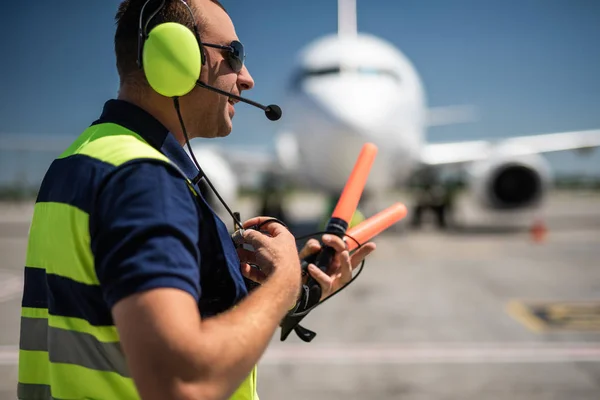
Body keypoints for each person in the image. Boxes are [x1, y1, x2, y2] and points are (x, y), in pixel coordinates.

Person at [16, 0, 376, 399]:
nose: (248, 79)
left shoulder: (80, 159)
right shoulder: (143, 180)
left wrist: (281, 290)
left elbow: (101, 316)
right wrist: (285, 285)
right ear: (177, 53)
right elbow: (182, 380)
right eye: (235, 55)